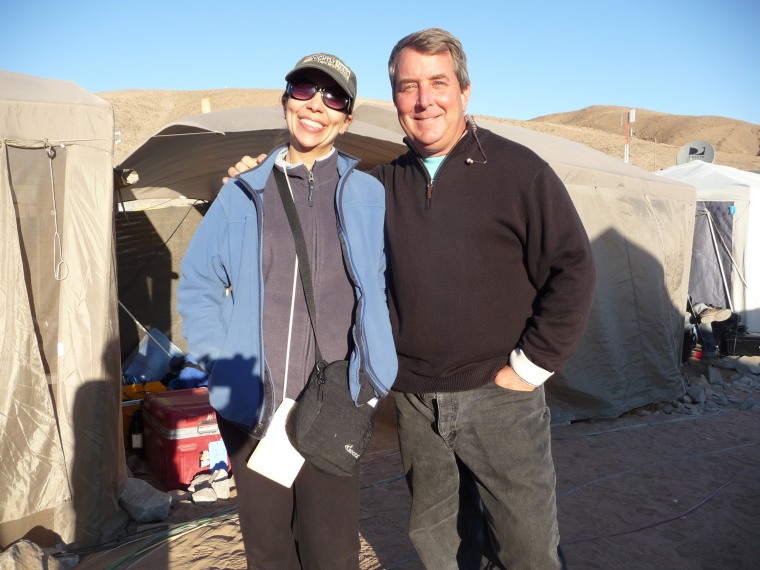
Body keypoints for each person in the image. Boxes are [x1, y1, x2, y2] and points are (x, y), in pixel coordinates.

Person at [227, 29, 596, 569]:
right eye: (408, 87)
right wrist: (252, 188)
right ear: (395, 98)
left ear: (465, 91)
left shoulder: (519, 172)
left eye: (438, 83)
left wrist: (531, 365)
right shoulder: (377, 186)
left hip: (501, 399)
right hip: (417, 402)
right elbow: (310, 228)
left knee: (526, 545)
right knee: (439, 541)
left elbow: (573, 267)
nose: (424, 101)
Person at [178, 53, 397, 570]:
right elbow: (200, 281)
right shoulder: (243, 193)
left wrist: (374, 376)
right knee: (270, 551)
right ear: (285, 103)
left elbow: (387, 287)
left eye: (333, 97)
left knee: (332, 552)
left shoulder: (368, 194)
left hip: (336, 404)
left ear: (346, 117)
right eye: (303, 90)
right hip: (255, 409)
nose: (316, 105)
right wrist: (220, 362)